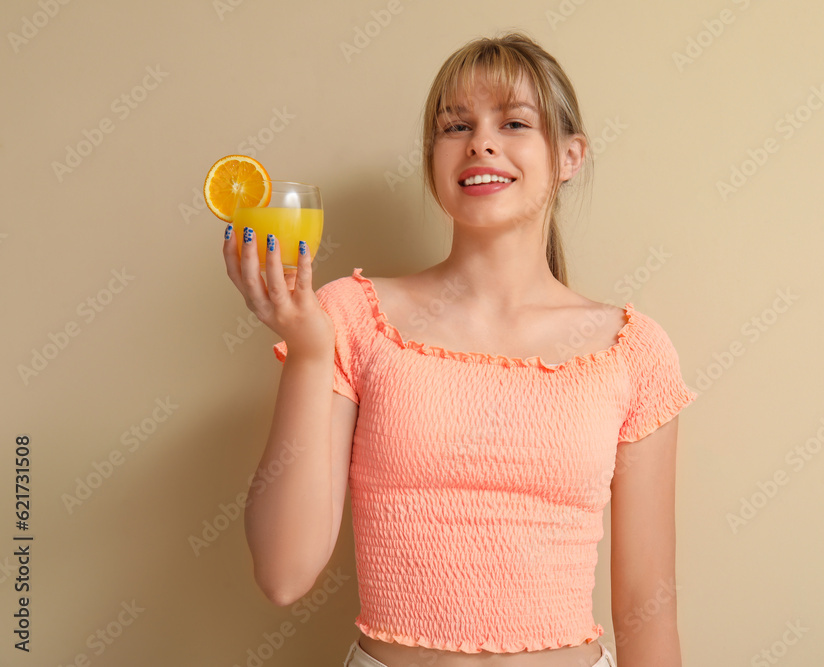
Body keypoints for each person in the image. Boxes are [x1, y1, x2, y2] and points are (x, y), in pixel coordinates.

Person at [226, 31, 697, 667]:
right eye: (455, 126)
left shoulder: (632, 350)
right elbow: (284, 575)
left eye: (513, 122)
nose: (481, 141)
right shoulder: (348, 317)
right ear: (433, 159)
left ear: (569, 155)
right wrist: (309, 352)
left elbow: (647, 606)